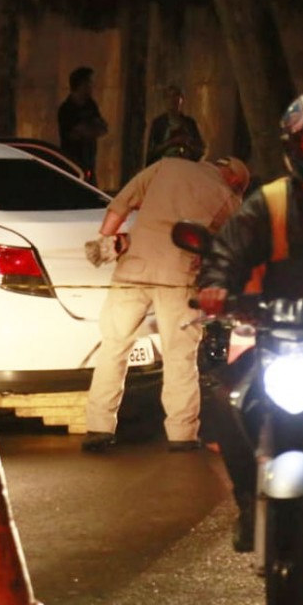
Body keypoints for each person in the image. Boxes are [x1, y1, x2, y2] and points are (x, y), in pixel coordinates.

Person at [196, 90, 303, 551]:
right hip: (283, 336)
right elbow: (226, 251)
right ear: (295, 148)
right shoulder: (267, 203)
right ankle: (250, 502)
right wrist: (214, 285)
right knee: (228, 400)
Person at [81, 155, 250, 454]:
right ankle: (182, 434)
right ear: (234, 178)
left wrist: (104, 240)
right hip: (180, 278)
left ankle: (98, 427)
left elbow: (121, 203)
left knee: (114, 346)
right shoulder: (228, 198)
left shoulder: (168, 166)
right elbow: (228, 246)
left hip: (134, 267)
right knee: (179, 354)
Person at [58, 66, 108, 185]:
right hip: (73, 164)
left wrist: (89, 130)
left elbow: (102, 128)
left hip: (89, 162)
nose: (92, 87)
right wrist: (88, 130)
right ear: (81, 84)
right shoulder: (67, 109)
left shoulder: (90, 105)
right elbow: (75, 133)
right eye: (89, 83)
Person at [144, 84, 205, 167]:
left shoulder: (190, 123)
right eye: (169, 97)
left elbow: (200, 149)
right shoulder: (158, 124)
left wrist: (187, 144)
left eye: (176, 96)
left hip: (186, 166)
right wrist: (171, 143)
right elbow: (151, 153)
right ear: (165, 100)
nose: (172, 100)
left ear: (181, 99)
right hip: (164, 166)